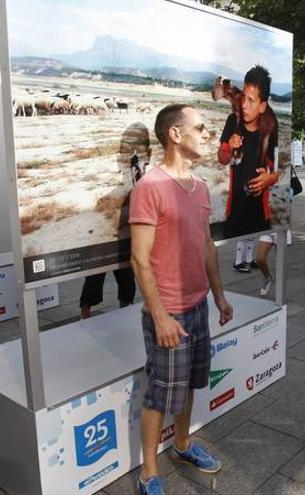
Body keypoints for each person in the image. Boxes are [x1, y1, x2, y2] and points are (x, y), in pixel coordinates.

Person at [130, 104, 233, 495]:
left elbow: (205, 244)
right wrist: (159, 317)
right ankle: (149, 475)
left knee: (189, 383)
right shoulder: (150, 188)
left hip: (198, 307)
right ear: (175, 134)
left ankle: (184, 444)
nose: (207, 134)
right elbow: (139, 259)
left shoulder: (201, 186)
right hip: (168, 312)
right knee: (160, 393)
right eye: (201, 128)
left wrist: (219, 295)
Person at [79, 123, 152, 318]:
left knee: (126, 272)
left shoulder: (143, 166)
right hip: (109, 227)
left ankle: (125, 309)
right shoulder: (119, 164)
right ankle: (85, 312)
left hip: (129, 227)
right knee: (96, 272)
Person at [217, 65, 279, 240]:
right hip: (234, 213)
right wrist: (228, 146)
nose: (244, 105)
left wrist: (269, 178)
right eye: (243, 97)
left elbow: (280, 169)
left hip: (261, 215)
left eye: (251, 101)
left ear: (262, 106)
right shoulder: (233, 121)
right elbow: (222, 158)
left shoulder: (270, 128)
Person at [254, 228, 291, 296]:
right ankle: (268, 278)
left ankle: (280, 292)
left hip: (281, 230)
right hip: (267, 229)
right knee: (260, 259)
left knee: (281, 263)